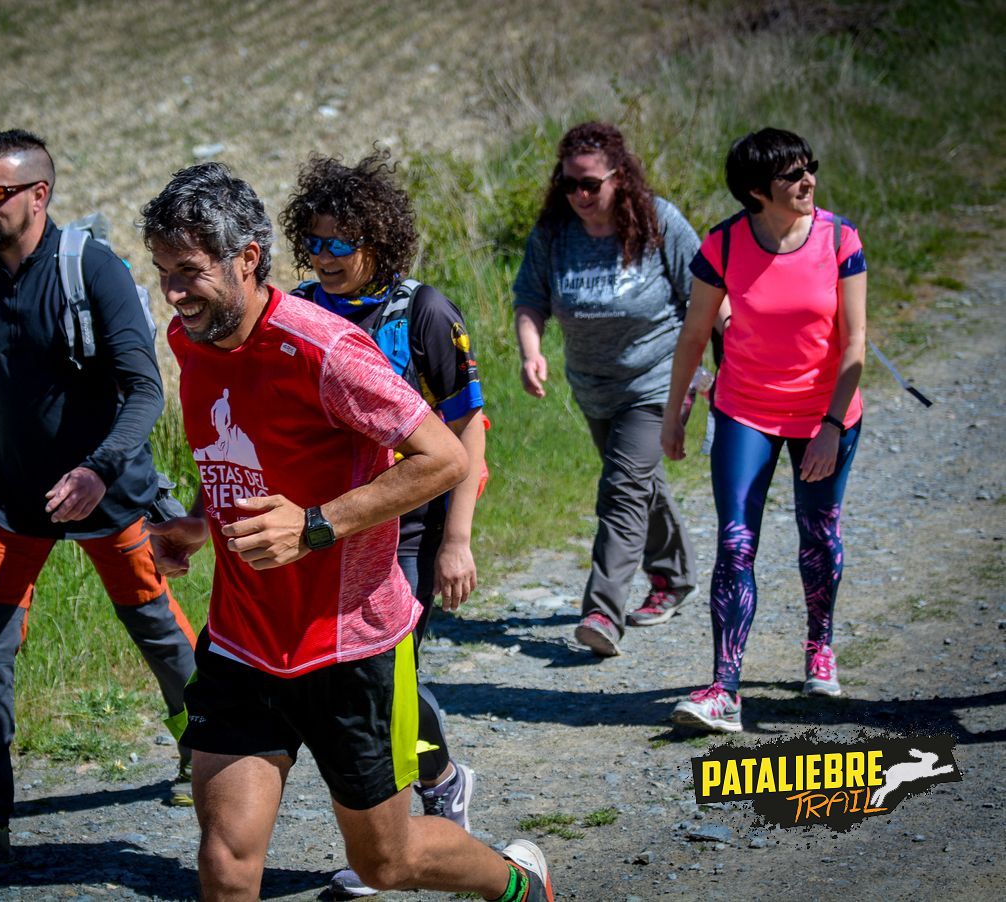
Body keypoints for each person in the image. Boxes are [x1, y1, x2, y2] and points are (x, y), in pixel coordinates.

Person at [142, 162, 552, 902]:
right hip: (243, 641)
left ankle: (519, 885)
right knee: (227, 864)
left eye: (190, 272)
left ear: (247, 259)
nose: (174, 293)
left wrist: (315, 527)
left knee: (384, 864)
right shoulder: (189, 339)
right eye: (164, 271)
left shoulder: (326, 350)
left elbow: (445, 455)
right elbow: (241, 456)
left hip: (349, 644)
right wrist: (200, 524)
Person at [0, 129, 199, 867]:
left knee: (158, 631)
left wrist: (99, 469)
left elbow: (145, 391)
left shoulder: (92, 270)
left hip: (107, 494)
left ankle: (206, 753)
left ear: (38, 196)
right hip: (8, 501)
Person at [279, 149, 486, 898]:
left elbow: (469, 430)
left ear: (380, 240)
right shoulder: (299, 311)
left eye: (342, 244)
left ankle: (402, 829)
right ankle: (437, 777)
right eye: (315, 244)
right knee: (356, 680)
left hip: (412, 529)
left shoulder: (424, 312)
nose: (326, 260)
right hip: (330, 526)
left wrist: (457, 538)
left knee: (379, 679)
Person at [661, 128, 866, 733]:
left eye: (811, 168)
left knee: (818, 534)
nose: (808, 182)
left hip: (825, 414)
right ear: (757, 191)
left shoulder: (838, 237)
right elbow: (695, 336)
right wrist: (676, 412)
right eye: (792, 175)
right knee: (735, 541)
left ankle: (819, 646)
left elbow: (855, 341)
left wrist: (830, 424)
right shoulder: (723, 245)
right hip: (744, 409)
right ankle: (725, 688)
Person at [512, 122, 700, 658]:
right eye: (569, 184)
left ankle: (602, 611)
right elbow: (530, 297)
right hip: (594, 387)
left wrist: (714, 368)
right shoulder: (554, 234)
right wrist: (532, 351)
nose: (580, 196)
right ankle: (675, 577)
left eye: (591, 184)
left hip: (657, 379)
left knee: (621, 487)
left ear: (620, 177)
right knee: (639, 481)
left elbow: (704, 297)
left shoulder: (660, 223)